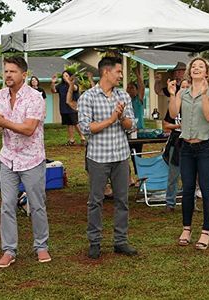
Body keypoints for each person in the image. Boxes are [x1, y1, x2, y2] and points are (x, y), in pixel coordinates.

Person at [0, 56, 51, 268]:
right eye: (6, 71)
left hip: (32, 159)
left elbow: (29, 129)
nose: (8, 75)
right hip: (8, 159)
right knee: (6, 205)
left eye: (12, 71)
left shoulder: (35, 98)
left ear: (24, 74)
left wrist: (3, 122)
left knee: (37, 205)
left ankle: (41, 246)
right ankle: (9, 250)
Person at [78, 56, 138, 259]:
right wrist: (111, 118)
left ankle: (120, 241)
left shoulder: (123, 96)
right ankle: (95, 242)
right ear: (106, 72)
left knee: (122, 200)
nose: (121, 75)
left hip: (121, 156)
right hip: (98, 157)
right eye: (118, 72)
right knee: (95, 201)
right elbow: (87, 128)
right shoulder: (88, 97)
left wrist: (122, 118)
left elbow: (132, 126)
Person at [168, 57, 209, 250]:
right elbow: (173, 114)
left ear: (206, 73)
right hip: (186, 148)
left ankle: (206, 232)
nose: (197, 69)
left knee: (206, 190)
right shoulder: (183, 92)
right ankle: (186, 229)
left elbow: (208, 115)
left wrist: (204, 93)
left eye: (201, 67)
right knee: (187, 188)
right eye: (194, 67)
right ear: (190, 72)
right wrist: (173, 94)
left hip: (205, 147)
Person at [162, 79, 189, 212]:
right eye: (182, 87)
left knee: (190, 175)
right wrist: (178, 126)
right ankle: (170, 203)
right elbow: (166, 125)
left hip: (191, 141)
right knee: (173, 174)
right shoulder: (174, 106)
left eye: (187, 87)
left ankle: (191, 203)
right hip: (176, 141)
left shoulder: (195, 105)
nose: (184, 89)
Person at [51, 70, 86, 146]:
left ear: (70, 76)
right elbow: (53, 91)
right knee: (69, 124)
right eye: (63, 76)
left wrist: (68, 81)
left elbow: (74, 89)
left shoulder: (74, 84)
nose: (64, 77)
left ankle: (83, 137)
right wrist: (53, 83)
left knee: (75, 123)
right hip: (64, 108)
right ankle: (71, 140)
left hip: (72, 107)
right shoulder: (60, 85)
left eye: (66, 76)